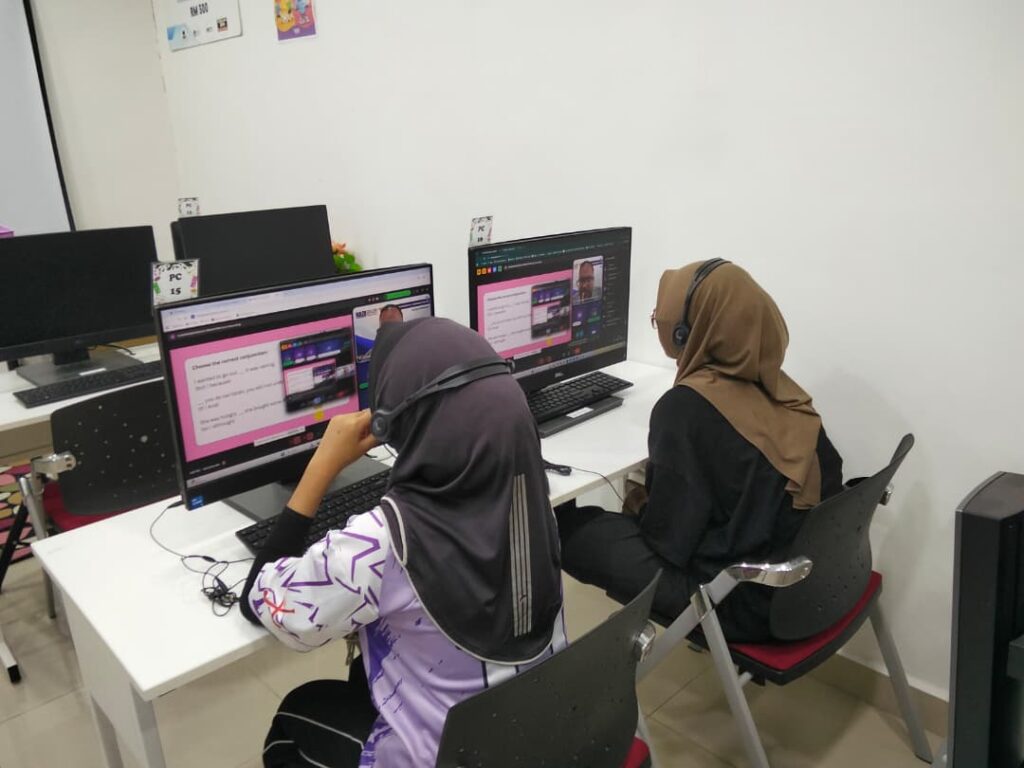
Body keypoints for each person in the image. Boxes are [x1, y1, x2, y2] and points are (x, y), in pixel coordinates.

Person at [241, 317, 565, 767]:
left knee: (296, 712)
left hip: (446, 757)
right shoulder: (533, 502)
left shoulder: (380, 545)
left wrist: (323, 463)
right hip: (535, 735)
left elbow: (262, 599)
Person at [557, 260, 843, 642]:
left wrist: (640, 505)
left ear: (684, 333)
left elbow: (668, 542)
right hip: (813, 588)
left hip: (741, 600)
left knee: (567, 529)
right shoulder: (783, 391)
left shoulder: (685, 410)